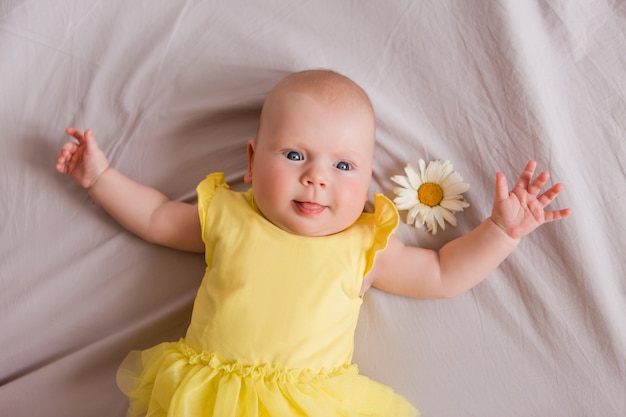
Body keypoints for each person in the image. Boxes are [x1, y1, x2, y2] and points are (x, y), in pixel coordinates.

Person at [55, 69, 571, 417]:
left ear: (368, 178)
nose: (317, 179)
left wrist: (501, 232)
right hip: (209, 399)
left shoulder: (363, 244)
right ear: (253, 163)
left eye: (342, 165)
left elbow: (441, 275)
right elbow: (155, 216)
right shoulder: (230, 216)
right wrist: (100, 177)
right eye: (296, 156)